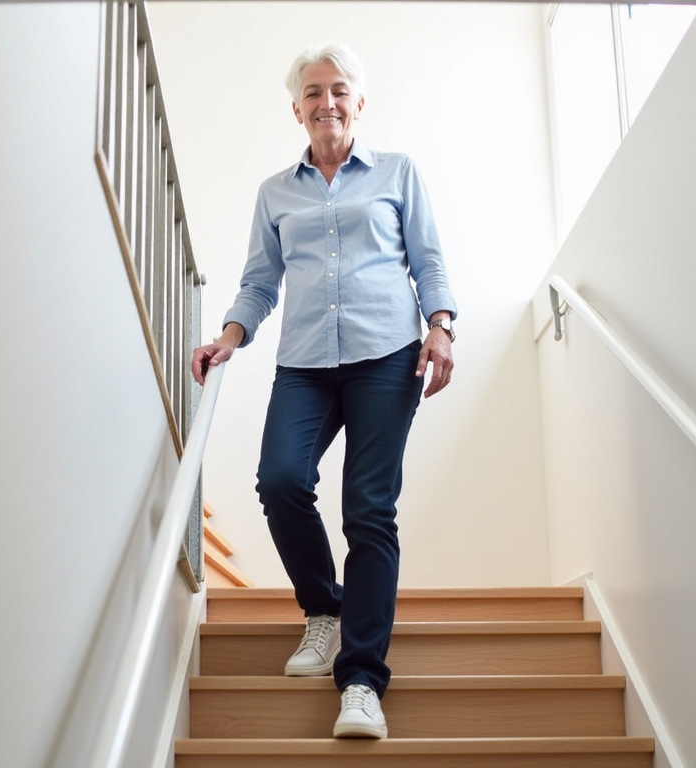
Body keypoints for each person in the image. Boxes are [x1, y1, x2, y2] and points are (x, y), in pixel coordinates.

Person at [190, 42, 457, 740]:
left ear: (358, 102)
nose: (327, 102)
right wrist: (228, 337)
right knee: (280, 480)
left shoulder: (397, 174)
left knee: (368, 510)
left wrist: (442, 328)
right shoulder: (275, 193)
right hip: (305, 362)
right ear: (297, 109)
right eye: (313, 92)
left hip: (387, 356)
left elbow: (428, 261)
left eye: (339, 89)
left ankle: (363, 679)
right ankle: (324, 610)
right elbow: (259, 282)